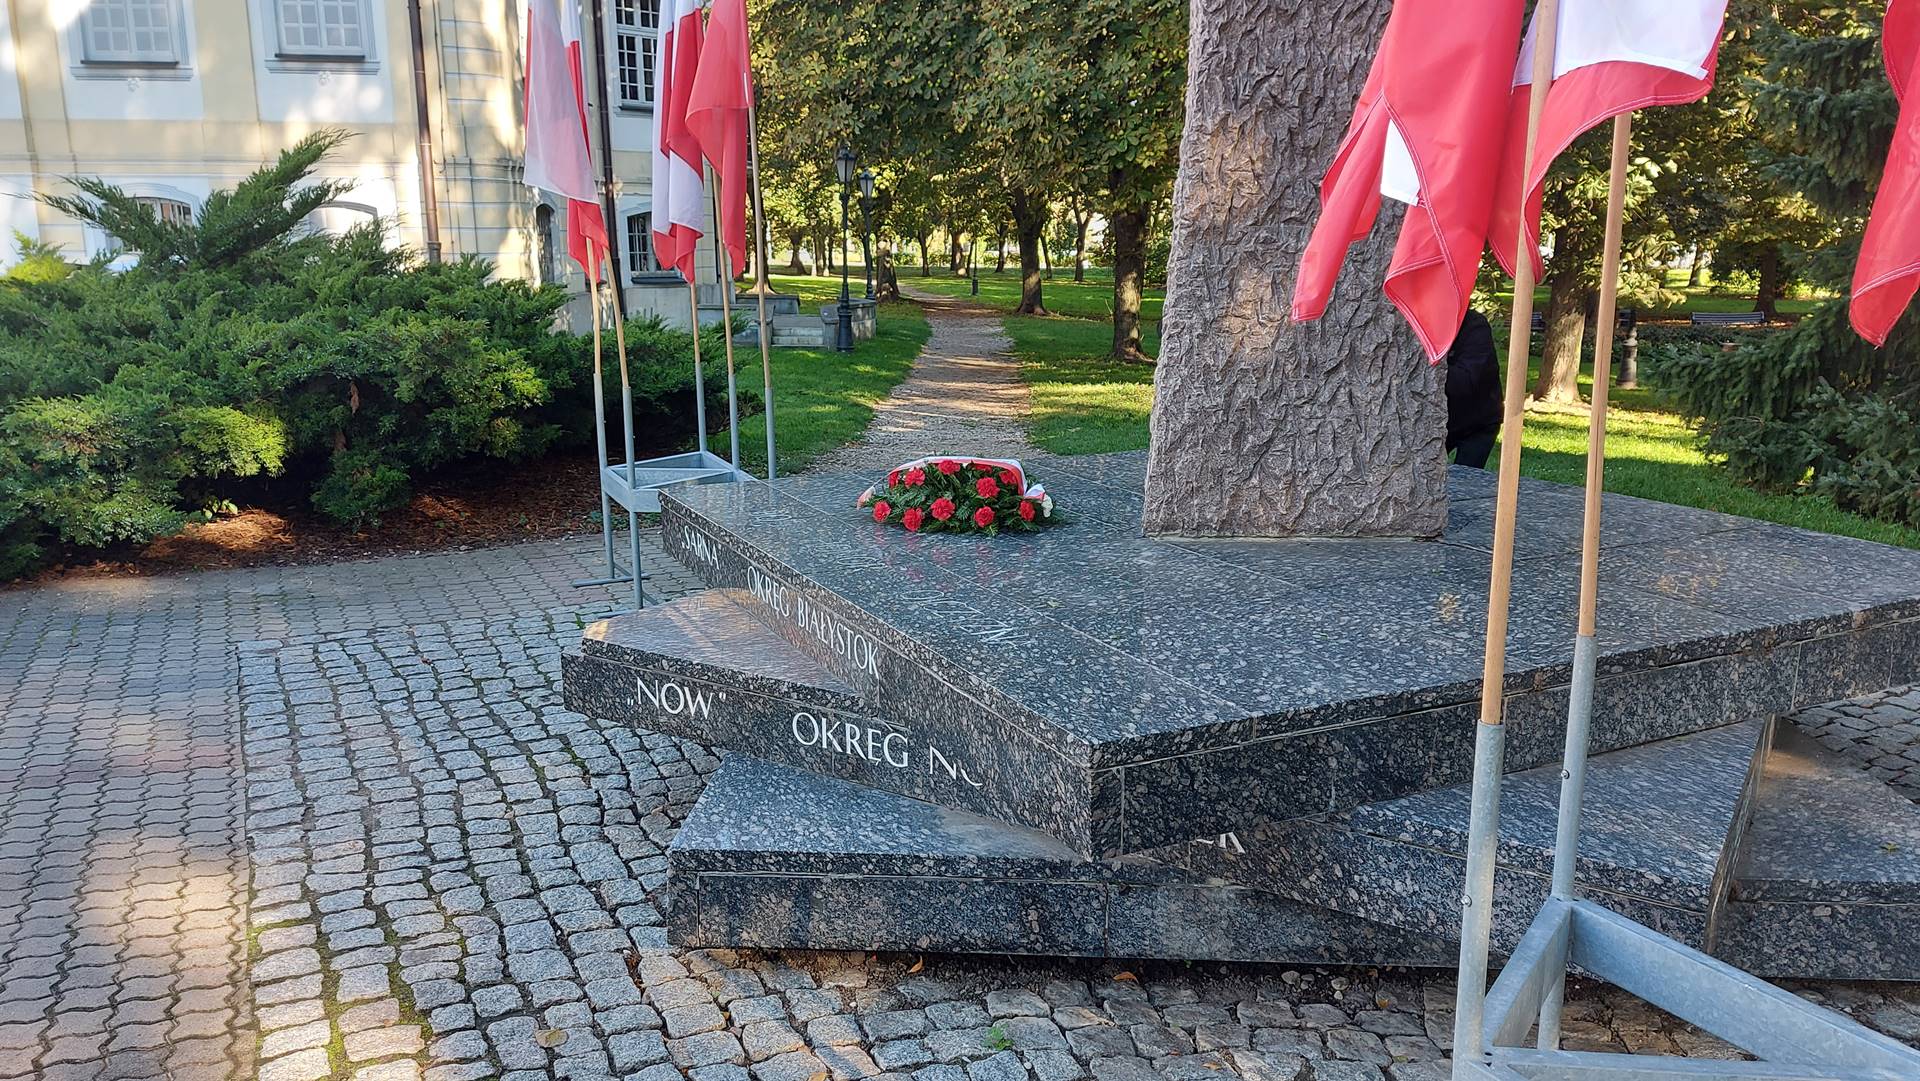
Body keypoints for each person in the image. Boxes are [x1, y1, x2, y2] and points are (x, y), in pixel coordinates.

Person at [1445, 308, 1502, 469]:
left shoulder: (1474, 325)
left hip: (1479, 421)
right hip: (1439, 419)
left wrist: (1430, 363)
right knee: (1422, 475)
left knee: (1466, 478)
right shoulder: (1418, 323)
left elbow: (1466, 382)